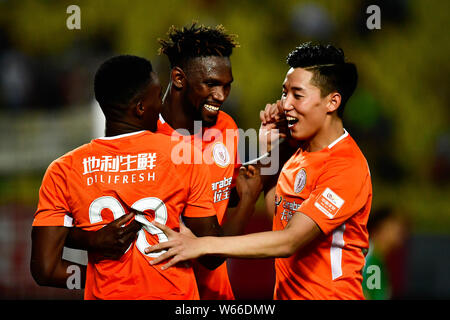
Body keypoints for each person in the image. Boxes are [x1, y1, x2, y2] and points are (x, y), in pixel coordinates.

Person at [146, 43, 373, 300]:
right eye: (284, 93)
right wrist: (271, 148)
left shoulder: (346, 165)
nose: (285, 104)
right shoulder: (299, 153)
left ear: (332, 102)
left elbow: (289, 241)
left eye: (297, 95)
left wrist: (201, 244)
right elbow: (280, 222)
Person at [59, 23, 262, 300]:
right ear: (178, 78)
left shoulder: (226, 127)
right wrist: (89, 240)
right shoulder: (140, 139)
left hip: (217, 294)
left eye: (227, 86)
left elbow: (232, 194)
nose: (221, 96)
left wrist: (273, 147)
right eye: (211, 84)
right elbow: (80, 228)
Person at [30, 55, 235, 299]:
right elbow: (213, 254)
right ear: (140, 108)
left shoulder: (63, 170)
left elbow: (45, 269)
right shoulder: (185, 156)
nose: (161, 106)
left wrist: (97, 270)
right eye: (157, 97)